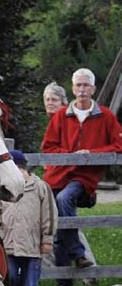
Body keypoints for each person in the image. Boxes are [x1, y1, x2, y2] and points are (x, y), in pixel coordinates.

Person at [42, 68, 122, 286]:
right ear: (73, 88)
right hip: (58, 175)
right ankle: (64, 285)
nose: (82, 90)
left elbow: (118, 146)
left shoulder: (106, 116)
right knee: (58, 231)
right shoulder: (61, 116)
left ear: (93, 89)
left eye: (86, 85)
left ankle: (78, 253)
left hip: (83, 178)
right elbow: (48, 147)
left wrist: (90, 153)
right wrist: (70, 154)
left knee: (64, 199)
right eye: (78, 86)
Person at [0, 150, 56, 286]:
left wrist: (47, 239)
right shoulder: (3, 188)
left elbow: (48, 214)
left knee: (30, 284)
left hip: (33, 245)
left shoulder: (40, 187)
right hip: (9, 244)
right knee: (9, 277)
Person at [42, 80, 97, 274]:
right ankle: (70, 275)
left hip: (69, 179)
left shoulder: (70, 119)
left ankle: (83, 266)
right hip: (57, 179)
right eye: (47, 99)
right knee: (62, 226)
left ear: (63, 102)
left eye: (54, 99)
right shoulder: (54, 121)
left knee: (64, 226)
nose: (50, 102)